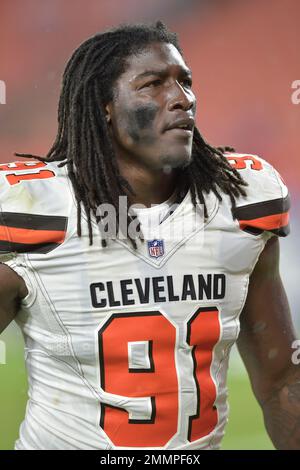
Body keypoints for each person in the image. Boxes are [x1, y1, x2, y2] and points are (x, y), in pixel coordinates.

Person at [0, 21, 299, 451]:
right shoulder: (37, 210)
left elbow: (282, 379)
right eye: (153, 84)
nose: (182, 99)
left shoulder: (241, 203)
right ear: (103, 105)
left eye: (185, 83)